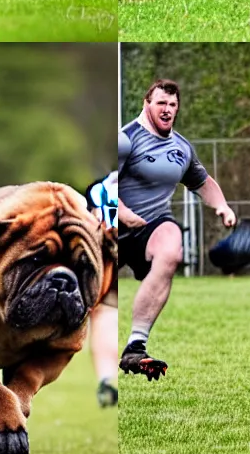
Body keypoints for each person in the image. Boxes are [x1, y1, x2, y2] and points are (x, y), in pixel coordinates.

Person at [117, 79, 236, 379]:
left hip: (151, 225)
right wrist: (122, 212)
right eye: (161, 103)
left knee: (172, 247)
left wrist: (221, 206)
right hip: (112, 225)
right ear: (146, 104)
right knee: (87, 296)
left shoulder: (181, 147)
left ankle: (136, 345)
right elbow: (101, 186)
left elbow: (202, 182)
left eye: (172, 105)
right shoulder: (125, 139)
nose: (167, 110)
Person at [85, 171, 121, 407]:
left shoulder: (102, 186)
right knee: (107, 309)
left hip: (108, 250)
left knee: (105, 311)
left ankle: (107, 377)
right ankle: (108, 379)